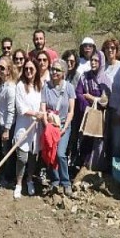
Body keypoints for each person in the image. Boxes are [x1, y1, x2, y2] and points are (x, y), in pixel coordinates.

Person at [41, 59, 75, 196]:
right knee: (51, 154)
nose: (54, 72)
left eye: (57, 70)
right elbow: (43, 107)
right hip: (50, 126)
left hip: (63, 126)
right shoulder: (46, 87)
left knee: (61, 154)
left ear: (64, 73)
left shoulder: (69, 88)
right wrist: (46, 124)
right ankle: (55, 180)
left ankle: (66, 182)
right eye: (53, 69)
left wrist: (64, 127)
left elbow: (71, 111)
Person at [74, 51, 111, 170]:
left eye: (96, 61)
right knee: (85, 140)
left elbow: (105, 100)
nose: (93, 63)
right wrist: (87, 106)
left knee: (98, 141)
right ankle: (83, 166)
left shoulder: (105, 80)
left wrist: (92, 98)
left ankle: (95, 167)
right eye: (92, 60)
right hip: (85, 114)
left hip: (100, 116)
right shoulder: (84, 76)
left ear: (101, 62)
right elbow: (79, 93)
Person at [13, 59, 44, 199]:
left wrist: (42, 114)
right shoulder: (20, 86)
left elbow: (43, 104)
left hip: (36, 128)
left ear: (36, 70)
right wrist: (34, 113)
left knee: (33, 157)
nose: (29, 71)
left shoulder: (40, 86)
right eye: (26, 69)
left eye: (31, 68)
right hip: (23, 127)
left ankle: (29, 179)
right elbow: (21, 108)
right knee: (22, 158)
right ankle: (18, 183)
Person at [103, 39, 120, 159]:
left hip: (118, 108)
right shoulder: (102, 66)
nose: (110, 50)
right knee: (105, 139)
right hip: (103, 110)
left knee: (117, 141)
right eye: (107, 48)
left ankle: (116, 168)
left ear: (116, 50)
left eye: (112, 48)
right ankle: (105, 166)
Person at [0, 56, 17, 187]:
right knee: (4, 151)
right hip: (1, 122)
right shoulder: (2, 84)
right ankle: (6, 174)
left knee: (8, 153)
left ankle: (8, 178)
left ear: (9, 70)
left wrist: (7, 130)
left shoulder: (10, 88)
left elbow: (11, 110)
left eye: (2, 68)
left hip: (6, 125)